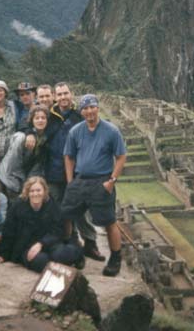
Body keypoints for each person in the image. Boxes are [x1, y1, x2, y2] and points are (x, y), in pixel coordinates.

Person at [33, 82, 104, 262]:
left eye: (66, 93)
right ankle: (65, 244)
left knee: (81, 209)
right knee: (57, 211)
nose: (63, 97)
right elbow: (33, 124)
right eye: (60, 94)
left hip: (79, 171)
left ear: (71, 94)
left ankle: (90, 243)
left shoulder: (79, 115)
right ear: (55, 97)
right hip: (54, 172)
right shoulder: (51, 116)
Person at [61, 94, 127, 277]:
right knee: (66, 215)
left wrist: (111, 181)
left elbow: (121, 157)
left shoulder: (111, 131)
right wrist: (70, 181)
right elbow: (69, 156)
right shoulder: (76, 131)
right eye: (85, 108)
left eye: (92, 107)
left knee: (109, 221)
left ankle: (115, 258)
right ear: (81, 111)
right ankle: (71, 248)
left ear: (97, 108)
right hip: (80, 180)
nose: (89, 111)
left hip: (102, 180)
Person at [0, 176, 83, 272]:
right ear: (27, 192)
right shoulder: (17, 207)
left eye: (38, 190)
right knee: (41, 262)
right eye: (32, 191)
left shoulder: (52, 206)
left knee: (60, 254)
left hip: (48, 243)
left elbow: (57, 230)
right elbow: (9, 230)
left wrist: (41, 244)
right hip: (26, 246)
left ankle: (78, 255)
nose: (35, 194)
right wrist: (3, 254)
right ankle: (62, 263)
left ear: (44, 191)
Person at [0, 105, 50, 199]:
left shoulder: (44, 139)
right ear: (31, 120)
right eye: (37, 118)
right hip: (9, 177)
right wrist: (22, 184)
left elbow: (37, 165)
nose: (40, 120)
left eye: (43, 118)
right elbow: (13, 163)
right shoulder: (21, 137)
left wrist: (29, 183)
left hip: (23, 179)